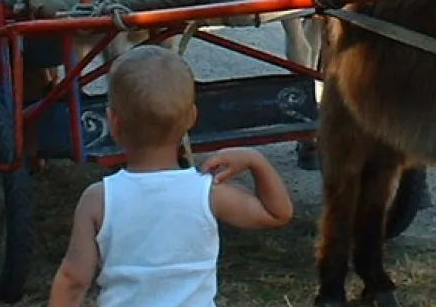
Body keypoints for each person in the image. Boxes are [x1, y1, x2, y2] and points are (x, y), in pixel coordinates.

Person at [48, 45, 294, 307]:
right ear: (192, 118)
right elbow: (277, 213)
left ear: (113, 122)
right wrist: (255, 161)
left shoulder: (98, 199)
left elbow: (73, 279)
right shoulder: (207, 193)